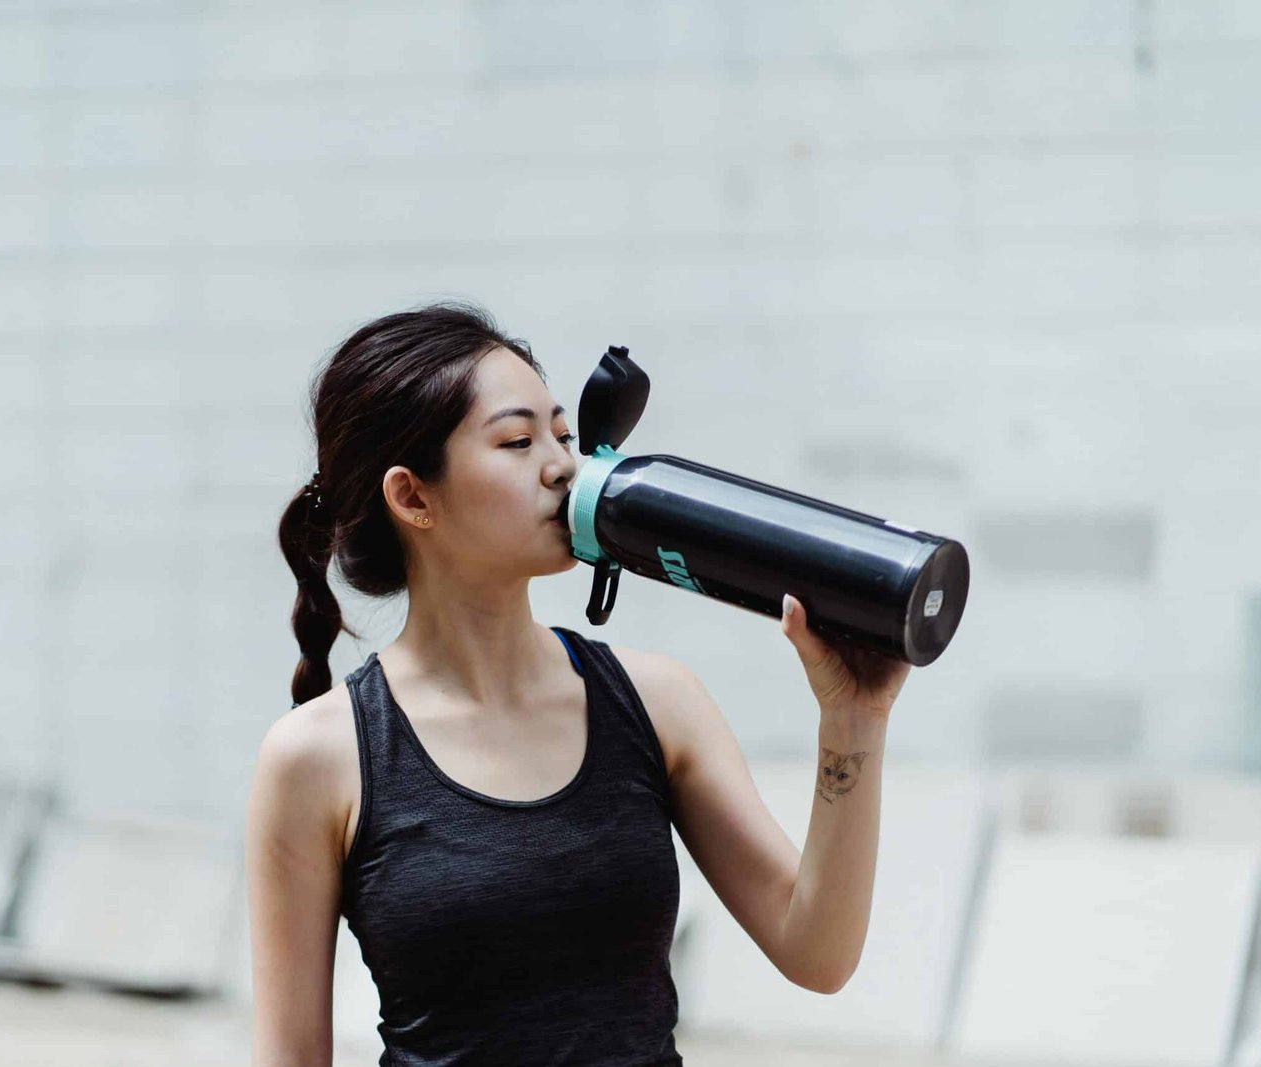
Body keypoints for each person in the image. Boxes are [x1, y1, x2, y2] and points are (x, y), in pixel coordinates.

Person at [245, 301, 911, 1066]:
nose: (564, 465)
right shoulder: (321, 756)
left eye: (563, 434)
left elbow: (817, 952)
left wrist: (854, 719)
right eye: (518, 440)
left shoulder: (658, 701)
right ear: (413, 497)